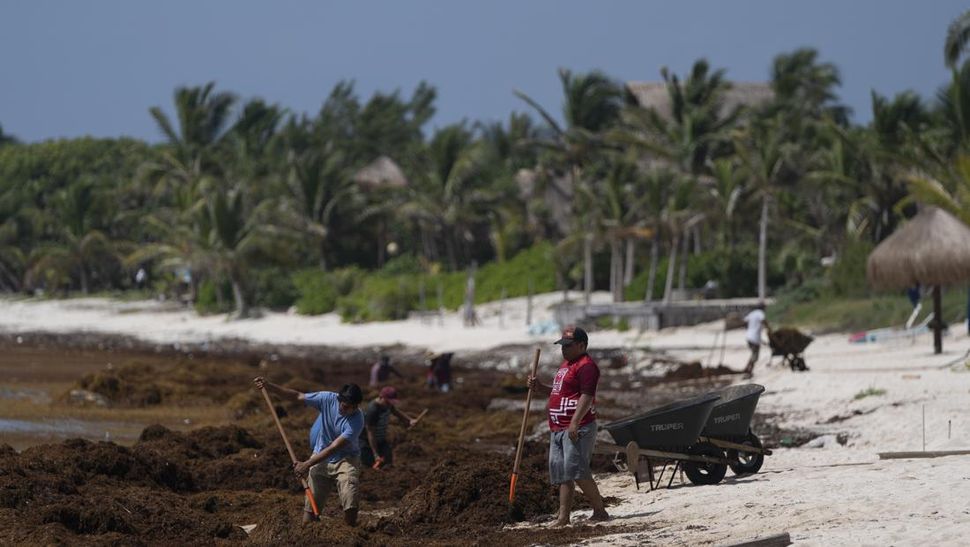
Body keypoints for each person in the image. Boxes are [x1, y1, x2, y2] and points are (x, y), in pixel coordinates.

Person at [253, 377, 364, 526]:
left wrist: (307, 464)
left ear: (355, 407)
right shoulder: (327, 399)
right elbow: (297, 396)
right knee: (309, 515)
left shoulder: (357, 420)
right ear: (339, 400)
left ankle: (350, 528)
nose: (343, 410)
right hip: (321, 456)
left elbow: (334, 447)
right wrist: (270, 386)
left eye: (349, 408)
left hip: (346, 459)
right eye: (342, 405)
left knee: (350, 493)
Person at [527, 326, 608, 526]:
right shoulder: (566, 364)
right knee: (563, 474)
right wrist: (540, 388)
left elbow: (587, 396)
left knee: (577, 471)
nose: (563, 349)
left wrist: (575, 422)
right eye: (562, 345)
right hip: (557, 428)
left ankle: (600, 511)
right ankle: (563, 517)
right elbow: (558, 392)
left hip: (577, 428)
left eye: (568, 346)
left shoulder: (587, 366)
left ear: (581, 345)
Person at [360, 386, 418, 469]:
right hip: (367, 442)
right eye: (388, 402)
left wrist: (409, 420)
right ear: (381, 397)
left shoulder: (387, 405)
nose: (389, 405)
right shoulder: (373, 410)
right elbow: (370, 433)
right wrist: (376, 454)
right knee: (369, 466)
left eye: (391, 403)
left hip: (381, 439)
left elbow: (395, 411)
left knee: (388, 464)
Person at [743, 303, 770, 375]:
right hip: (754, 338)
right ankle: (749, 371)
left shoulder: (752, 313)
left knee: (753, 354)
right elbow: (763, 320)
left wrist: (748, 329)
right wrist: (769, 328)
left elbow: (745, 321)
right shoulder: (760, 313)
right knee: (755, 356)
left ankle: (746, 368)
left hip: (748, 336)